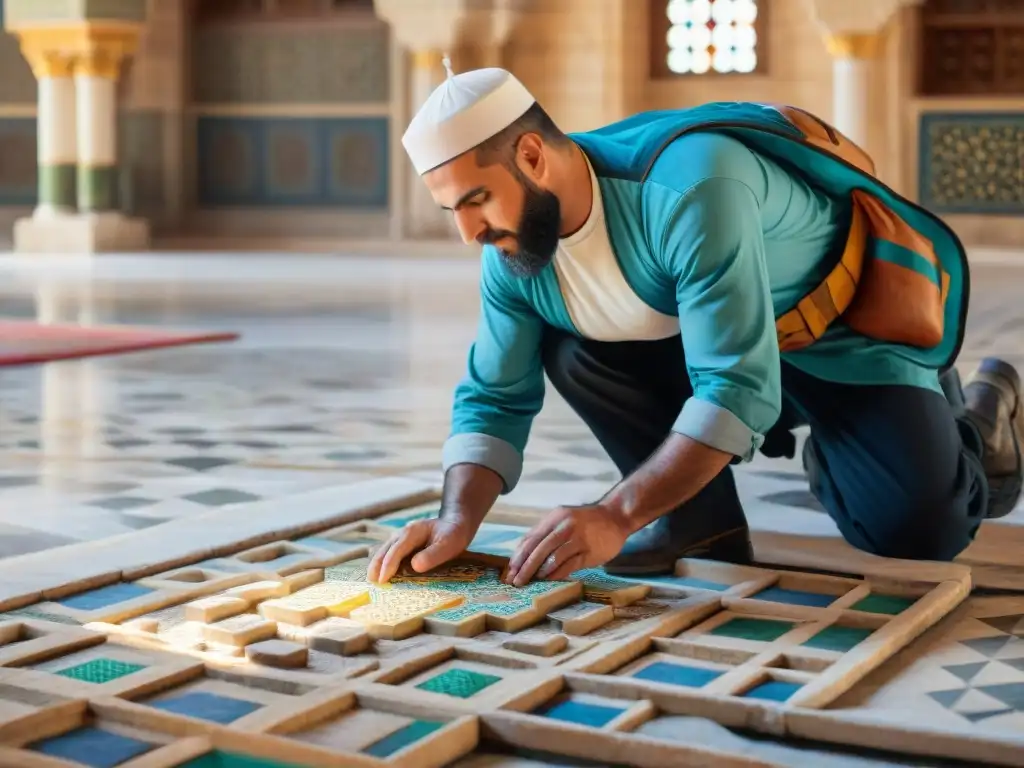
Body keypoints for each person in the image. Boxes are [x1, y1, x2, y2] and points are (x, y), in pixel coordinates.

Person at [368, 62, 1023, 588]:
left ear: (533, 155)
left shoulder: (688, 185)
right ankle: (699, 523)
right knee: (571, 347)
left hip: (842, 342)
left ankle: (974, 418)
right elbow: (494, 394)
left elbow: (735, 389)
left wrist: (616, 514)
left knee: (919, 532)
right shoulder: (514, 255)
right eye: (451, 209)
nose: (467, 232)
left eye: (475, 200)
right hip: (719, 344)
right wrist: (457, 518)